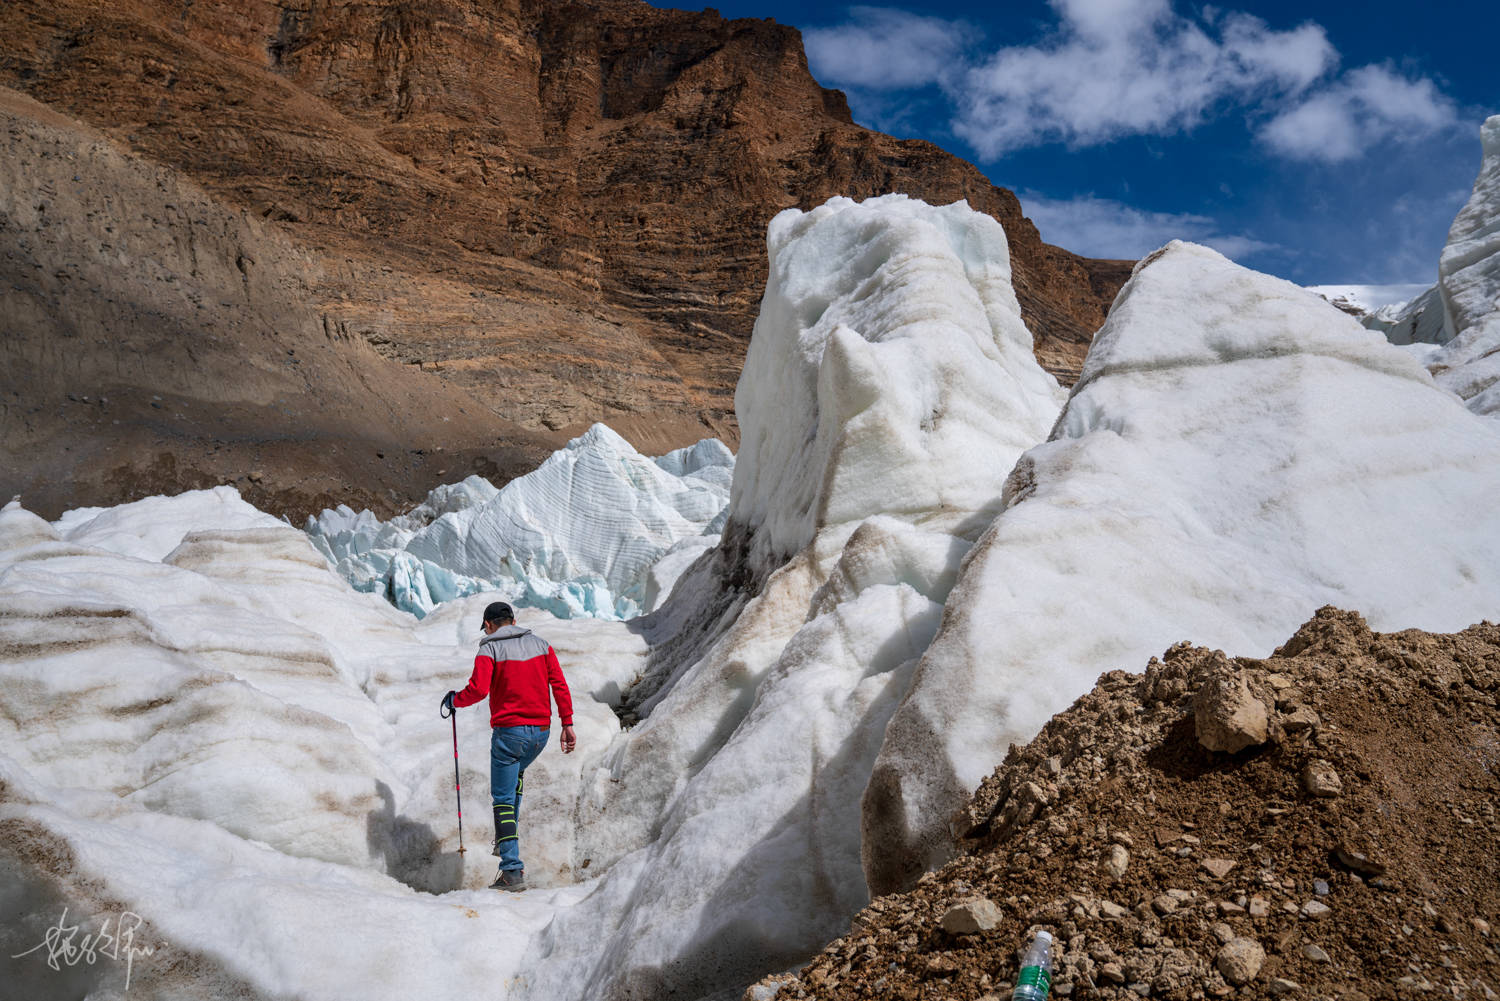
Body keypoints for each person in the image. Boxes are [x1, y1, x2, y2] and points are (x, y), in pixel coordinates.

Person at [442, 601, 575, 891]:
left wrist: (454, 700)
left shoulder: (489, 648)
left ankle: (511, 871)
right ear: (513, 620)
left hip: (509, 734)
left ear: (488, 625)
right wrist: (567, 722)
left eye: (486, 626)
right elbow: (559, 684)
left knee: (502, 798)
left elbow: (478, 690)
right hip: (541, 733)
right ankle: (505, 842)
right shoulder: (541, 644)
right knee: (515, 779)